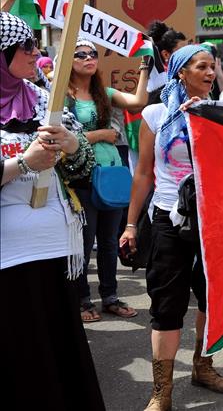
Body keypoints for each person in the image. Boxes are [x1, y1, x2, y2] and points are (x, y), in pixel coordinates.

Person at [120, 45, 223, 410]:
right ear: (181, 72)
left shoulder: (222, 113)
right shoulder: (155, 115)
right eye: (201, 66)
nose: (208, 72)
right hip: (169, 219)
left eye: (212, 67)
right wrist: (130, 225)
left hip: (213, 220)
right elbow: (142, 175)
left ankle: (203, 366)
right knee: (167, 305)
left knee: (211, 300)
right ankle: (161, 391)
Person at [1, 12, 104, 410]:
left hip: (56, 246)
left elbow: (85, 162)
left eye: (33, 44)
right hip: (9, 256)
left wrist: (72, 145)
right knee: (22, 352)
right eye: (24, 47)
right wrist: (23, 164)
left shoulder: (43, 96)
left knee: (59, 347)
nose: (34, 52)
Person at [68, 39, 149, 323]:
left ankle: (110, 297)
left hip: (111, 174)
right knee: (84, 241)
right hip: (81, 178)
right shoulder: (62, 97)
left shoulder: (105, 92)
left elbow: (138, 102)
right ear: (69, 58)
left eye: (93, 54)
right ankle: (82, 300)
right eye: (80, 54)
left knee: (109, 242)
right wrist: (100, 135)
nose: (89, 58)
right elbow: (62, 137)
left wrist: (144, 67)